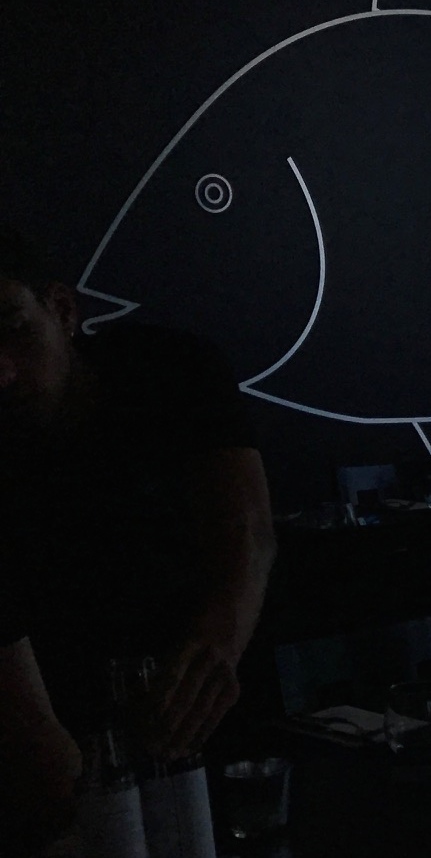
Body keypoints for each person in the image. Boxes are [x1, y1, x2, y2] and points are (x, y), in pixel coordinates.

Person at [0, 226, 275, 849]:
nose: (2, 372)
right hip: (67, 745)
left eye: (13, 328)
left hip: (222, 724)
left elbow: (249, 529)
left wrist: (221, 638)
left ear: (62, 309)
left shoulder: (169, 372)